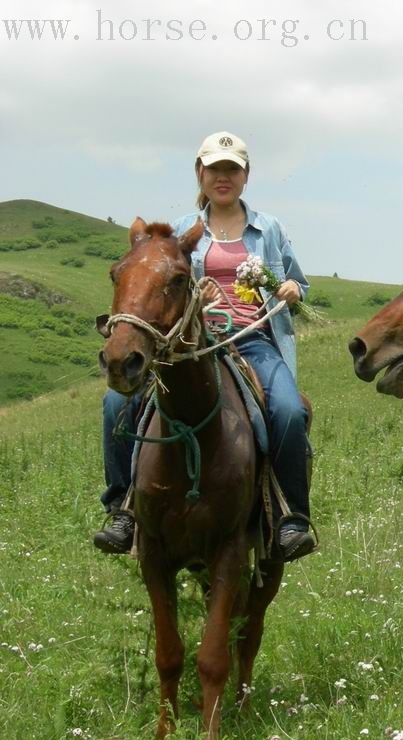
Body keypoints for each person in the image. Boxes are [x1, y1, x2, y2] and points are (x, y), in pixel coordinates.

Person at [94, 130, 316, 562]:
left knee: (289, 410)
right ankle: (121, 508)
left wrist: (292, 290)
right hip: (188, 345)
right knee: (114, 405)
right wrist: (197, 295)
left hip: (252, 340)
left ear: (245, 176)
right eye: (215, 168)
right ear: (200, 173)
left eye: (232, 169)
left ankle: (291, 518)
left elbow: (300, 283)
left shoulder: (269, 229)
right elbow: (159, 286)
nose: (223, 177)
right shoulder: (179, 233)